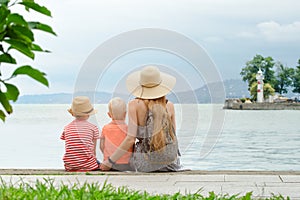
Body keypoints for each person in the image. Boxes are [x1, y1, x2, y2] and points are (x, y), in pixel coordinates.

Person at [101, 66, 181, 172]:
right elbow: (173, 136)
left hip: (146, 164)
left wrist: (109, 162)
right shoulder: (169, 106)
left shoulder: (134, 105)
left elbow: (130, 139)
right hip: (171, 164)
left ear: (140, 86)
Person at [60, 96, 100, 172]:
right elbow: (93, 152)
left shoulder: (67, 128)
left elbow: (68, 147)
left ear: (73, 114)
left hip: (70, 166)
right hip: (88, 166)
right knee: (98, 163)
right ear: (88, 114)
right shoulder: (93, 128)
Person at [100, 97, 133, 171]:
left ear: (109, 115)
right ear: (125, 114)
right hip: (126, 164)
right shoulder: (128, 129)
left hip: (108, 164)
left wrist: (107, 156)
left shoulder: (105, 128)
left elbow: (101, 146)